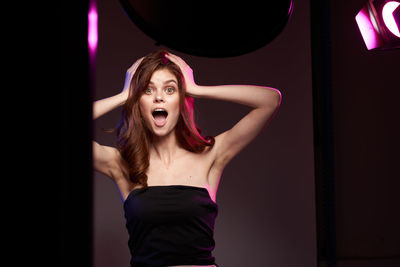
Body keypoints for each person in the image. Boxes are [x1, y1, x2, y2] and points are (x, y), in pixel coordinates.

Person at [93, 49, 282, 267]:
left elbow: (270, 101)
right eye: (148, 90)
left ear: (181, 101)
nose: (159, 97)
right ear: (139, 103)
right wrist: (124, 95)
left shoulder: (210, 154)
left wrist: (195, 89)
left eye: (170, 89)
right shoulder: (121, 164)